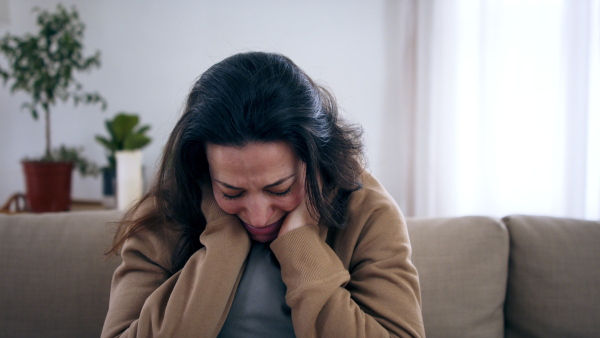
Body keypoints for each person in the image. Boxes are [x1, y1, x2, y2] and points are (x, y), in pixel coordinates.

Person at [101, 51, 425, 338]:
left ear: (314, 164)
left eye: (279, 188)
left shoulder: (368, 211)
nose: (258, 216)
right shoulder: (167, 213)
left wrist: (302, 246)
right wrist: (222, 242)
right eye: (232, 191)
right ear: (202, 171)